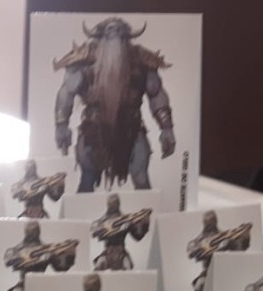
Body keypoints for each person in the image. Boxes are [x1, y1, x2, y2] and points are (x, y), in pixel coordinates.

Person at [53, 17, 175, 192]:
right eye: (109, 31)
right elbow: (66, 92)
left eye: (120, 32)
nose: (115, 34)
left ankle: (147, 210)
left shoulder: (140, 58)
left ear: (127, 38)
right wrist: (61, 125)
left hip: (131, 129)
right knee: (87, 179)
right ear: (100, 36)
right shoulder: (83, 58)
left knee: (140, 177)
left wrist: (166, 128)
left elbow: (156, 94)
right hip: (93, 130)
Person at [90, 194, 151, 271]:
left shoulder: (126, 221)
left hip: (121, 253)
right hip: (107, 253)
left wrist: (145, 224)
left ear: (118, 204)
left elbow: (138, 236)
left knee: (128, 271)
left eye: (114, 203)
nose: (113, 206)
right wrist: (107, 230)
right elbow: (96, 234)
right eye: (111, 204)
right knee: (97, 268)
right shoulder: (102, 221)